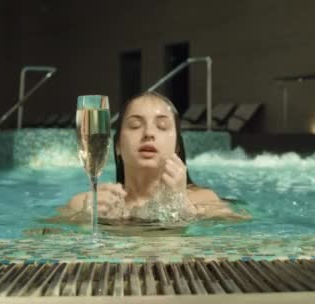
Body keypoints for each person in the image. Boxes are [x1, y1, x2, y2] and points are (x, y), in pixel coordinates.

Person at [59, 91, 250, 225]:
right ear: (117, 145)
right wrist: (86, 219)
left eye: (162, 126)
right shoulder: (85, 204)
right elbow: (41, 237)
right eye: (135, 125)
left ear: (176, 146)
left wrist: (181, 207)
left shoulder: (201, 201)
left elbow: (243, 232)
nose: (149, 133)